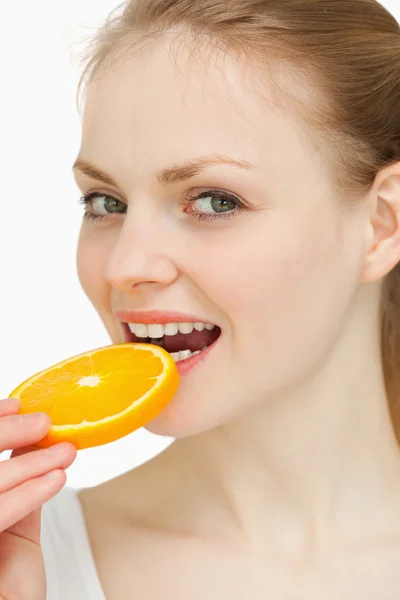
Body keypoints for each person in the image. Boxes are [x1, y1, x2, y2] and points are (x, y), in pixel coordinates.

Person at [1, 0, 400, 597]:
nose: (125, 266)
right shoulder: (26, 562)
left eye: (215, 201)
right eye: (106, 202)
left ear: (381, 224)